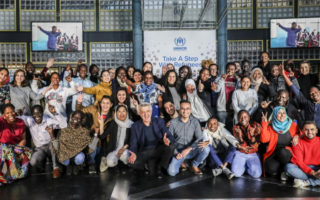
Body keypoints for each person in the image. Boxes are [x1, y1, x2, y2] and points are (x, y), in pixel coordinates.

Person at [19, 105, 67, 178]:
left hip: (50, 146)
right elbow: (15, 118)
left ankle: (55, 167)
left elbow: (64, 125)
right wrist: (18, 114)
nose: (37, 116)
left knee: (53, 145)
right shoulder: (29, 120)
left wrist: (55, 113)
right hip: (40, 149)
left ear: (42, 113)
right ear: (32, 115)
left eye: (39, 113)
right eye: (34, 114)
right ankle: (42, 164)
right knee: (33, 162)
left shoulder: (48, 121)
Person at [128, 103, 174, 179]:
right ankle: (150, 164)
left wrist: (168, 140)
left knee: (171, 147)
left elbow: (169, 136)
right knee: (132, 163)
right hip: (145, 152)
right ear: (139, 113)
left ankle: (160, 167)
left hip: (158, 150)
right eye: (143, 112)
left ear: (151, 112)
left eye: (148, 111)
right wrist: (133, 153)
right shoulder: (135, 126)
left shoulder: (159, 121)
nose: (146, 114)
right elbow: (134, 142)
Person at [50, 111, 101, 175]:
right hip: (65, 156)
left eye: (78, 118)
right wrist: (51, 134)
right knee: (62, 158)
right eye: (74, 117)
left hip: (77, 155)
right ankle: (68, 166)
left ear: (81, 120)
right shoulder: (64, 129)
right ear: (71, 118)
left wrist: (96, 134)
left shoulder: (84, 132)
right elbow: (57, 147)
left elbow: (91, 149)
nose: (76, 119)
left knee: (80, 157)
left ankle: (76, 166)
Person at [167, 100, 210, 176]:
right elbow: (170, 140)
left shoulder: (195, 122)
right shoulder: (173, 123)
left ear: (190, 110)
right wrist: (176, 153)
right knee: (171, 172)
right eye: (183, 108)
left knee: (206, 149)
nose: (185, 111)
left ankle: (194, 165)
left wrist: (189, 148)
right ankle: (182, 161)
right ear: (180, 110)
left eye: (187, 108)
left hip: (191, 149)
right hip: (179, 151)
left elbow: (199, 138)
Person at [260, 106, 300, 177]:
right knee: (270, 169)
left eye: (283, 113)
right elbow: (264, 140)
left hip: (287, 152)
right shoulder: (271, 127)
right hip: (274, 152)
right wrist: (264, 123)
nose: (282, 115)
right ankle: (282, 170)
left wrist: (297, 136)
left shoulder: (292, 125)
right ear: (275, 115)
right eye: (279, 113)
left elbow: (300, 134)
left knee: (283, 153)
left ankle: (287, 171)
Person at [281, 64, 320, 130]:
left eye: (316, 92)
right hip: (310, 132)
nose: (314, 95)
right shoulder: (308, 103)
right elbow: (294, 89)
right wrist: (284, 75)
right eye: (311, 94)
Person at [0, 104, 31, 185]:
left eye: (12, 112)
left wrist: (19, 147)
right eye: (7, 113)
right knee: (6, 149)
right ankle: (7, 174)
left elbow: (23, 139)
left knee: (28, 152)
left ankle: (13, 174)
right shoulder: (1, 122)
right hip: (4, 150)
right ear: (3, 115)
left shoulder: (20, 122)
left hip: (16, 147)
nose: (11, 114)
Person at [285, 121, 320, 188]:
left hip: (317, 169)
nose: (309, 132)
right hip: (303, 168)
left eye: (312, 129)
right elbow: (299, 162)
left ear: (316, 131)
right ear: (303, 131)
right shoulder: (297, 142)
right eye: (306, 129)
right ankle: (315, 180)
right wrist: (312, 173)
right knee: (289, 167)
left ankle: (306, 182)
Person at [99, 105, 133, 172]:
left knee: (124, 155)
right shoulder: (113, 123)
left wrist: (123, 148)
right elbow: (102, 136)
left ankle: (127, 164)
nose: (121, 114)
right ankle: (117, 164)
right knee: (110, 163)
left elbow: (132, 140)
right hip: (113, 150)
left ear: (127, 113)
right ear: (116, 113)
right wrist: (101, 124)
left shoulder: (131, 124)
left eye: (124, 111)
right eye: (119, 111)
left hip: (125, 150)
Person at [231, 110, 262, 178]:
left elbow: (254, 146)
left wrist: (252, 135)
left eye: (245, 117)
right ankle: (244, 165)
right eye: (241, 117)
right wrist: (240, 137)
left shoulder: (256, 126)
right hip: (240, 152)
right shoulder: (236, 128)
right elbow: (242, 147)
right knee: (236, 173)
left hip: (253, 153)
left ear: (249, 117)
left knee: (257, 174)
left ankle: (247, 166)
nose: (243, 119)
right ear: (238, 119)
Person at [212, 63, 240, 128]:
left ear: (235, 70)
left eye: (232, 69)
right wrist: (222, 79)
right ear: (226, 69)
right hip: (222, 109)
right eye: (228, 69)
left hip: (233, 109)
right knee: (222, 128)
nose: (230, 70)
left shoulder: (237, 80)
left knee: (231, 128)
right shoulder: (219, 78)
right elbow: (216, 90)